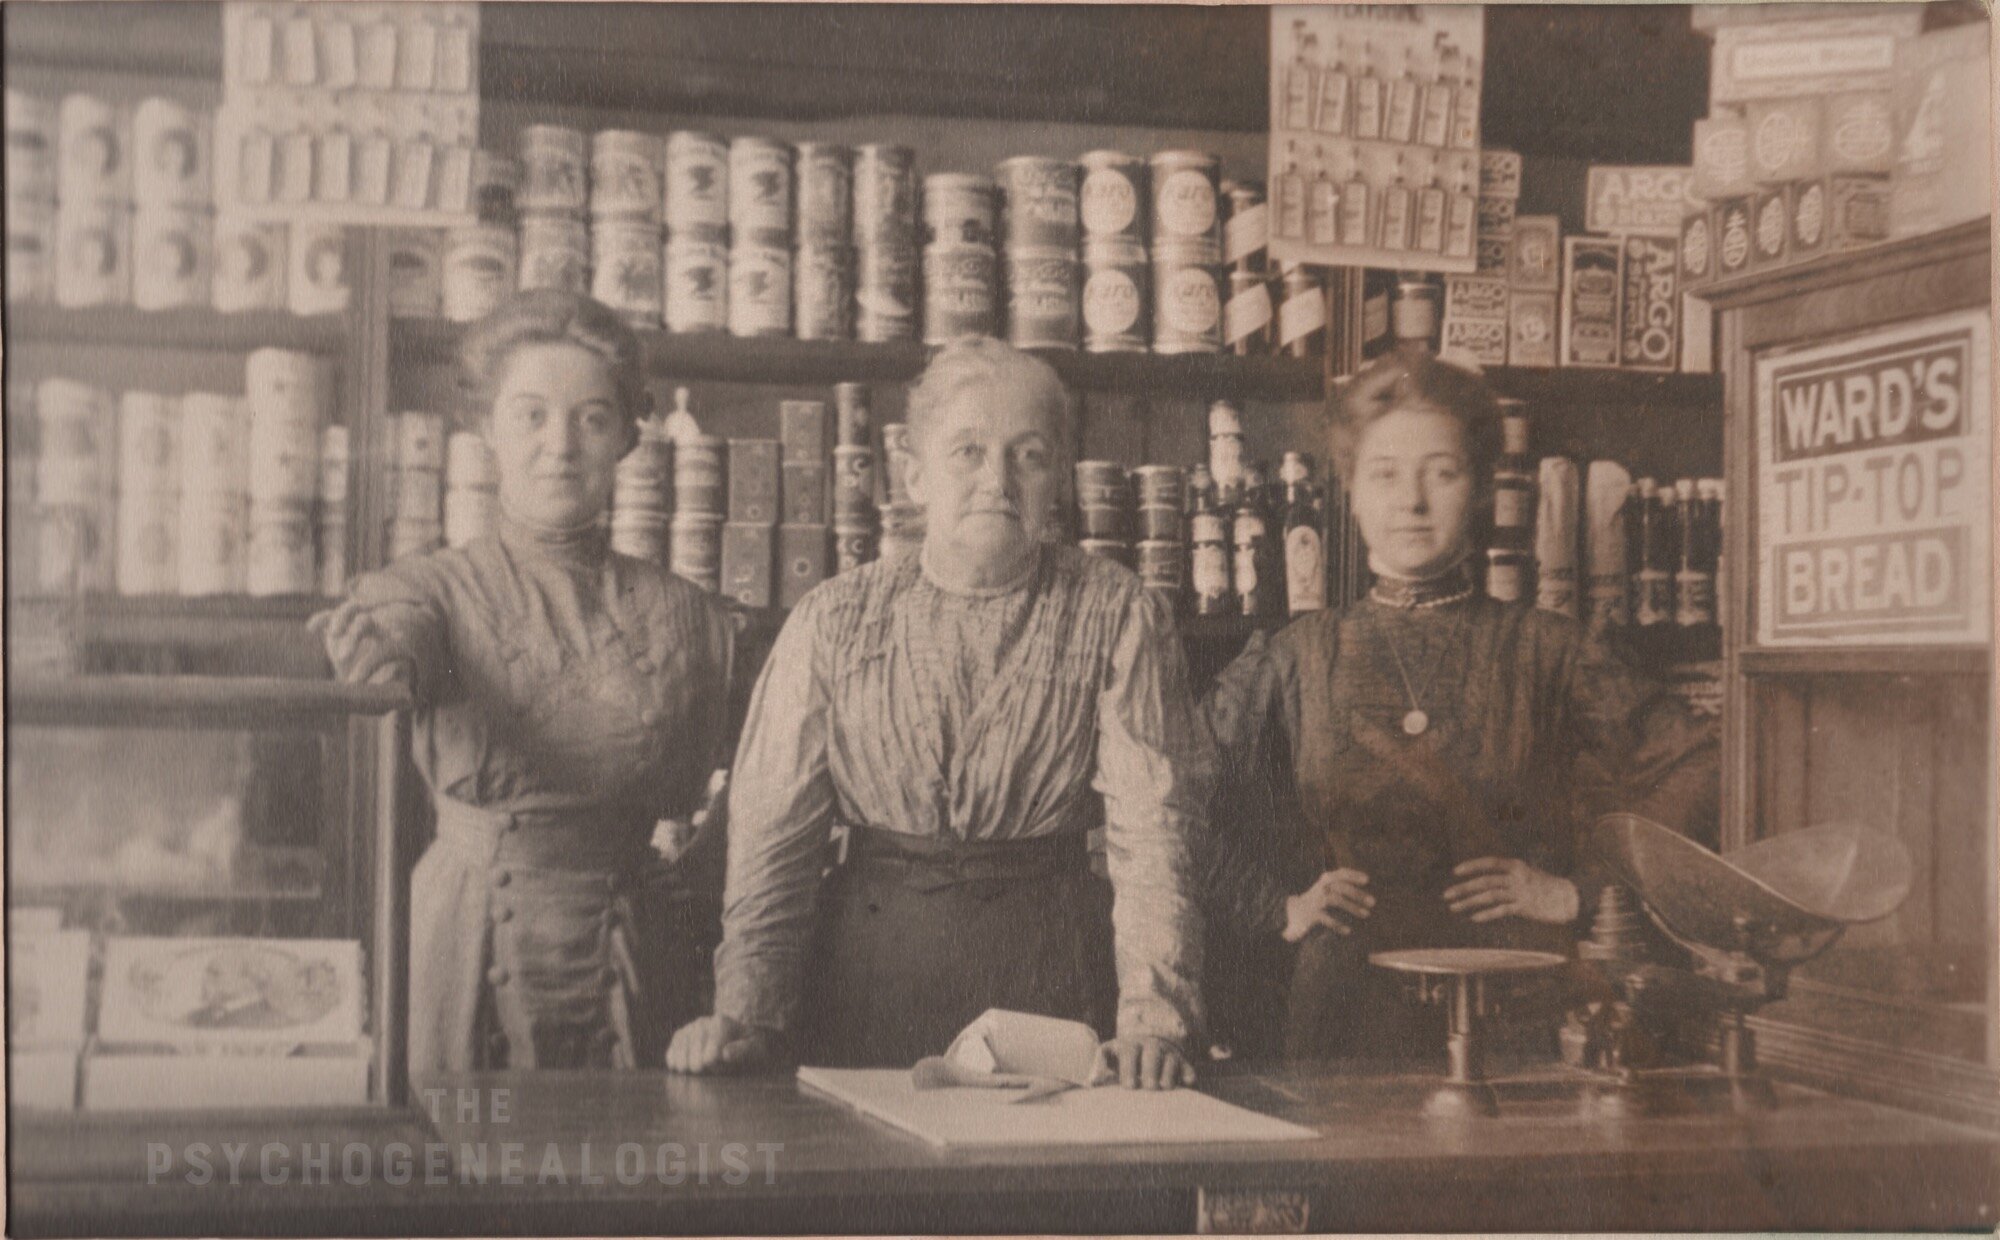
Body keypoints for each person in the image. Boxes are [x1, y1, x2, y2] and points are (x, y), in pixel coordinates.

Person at [667, 337, 1215, 1089]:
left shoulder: (1116, 610)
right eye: (967, 452)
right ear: (915, 475)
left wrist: (1155, 1022)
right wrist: (746, 1014)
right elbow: (771, 840)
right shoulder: (833, 619)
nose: (997, 480)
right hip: (868, 980)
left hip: (1049, 981)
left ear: (1057, 478)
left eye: (1028, 455)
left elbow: (1154, 832)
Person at [1202, 353, 1718, 1063]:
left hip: (1522, 1003)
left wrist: (1580, 894)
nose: (1412, 502)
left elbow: (1702, 761)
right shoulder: (1296, 655)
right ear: (1349, 494)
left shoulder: (1547, 649)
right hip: (1346, 1014)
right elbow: (1163, 794)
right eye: (1384, 475)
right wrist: (1277, 908)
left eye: (1441, 473)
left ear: (1478, 491)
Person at [311, 290, 733, 1074]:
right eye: (531, 415)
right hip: (465, 938)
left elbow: (750, 797)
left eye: (592, 419)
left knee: (627, 1174)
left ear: (629, 438)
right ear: (486, 431)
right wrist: (373, 664)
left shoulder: (688, 615)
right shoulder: (432, 591)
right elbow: (400, 641)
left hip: (636, 952)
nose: (560, 446)